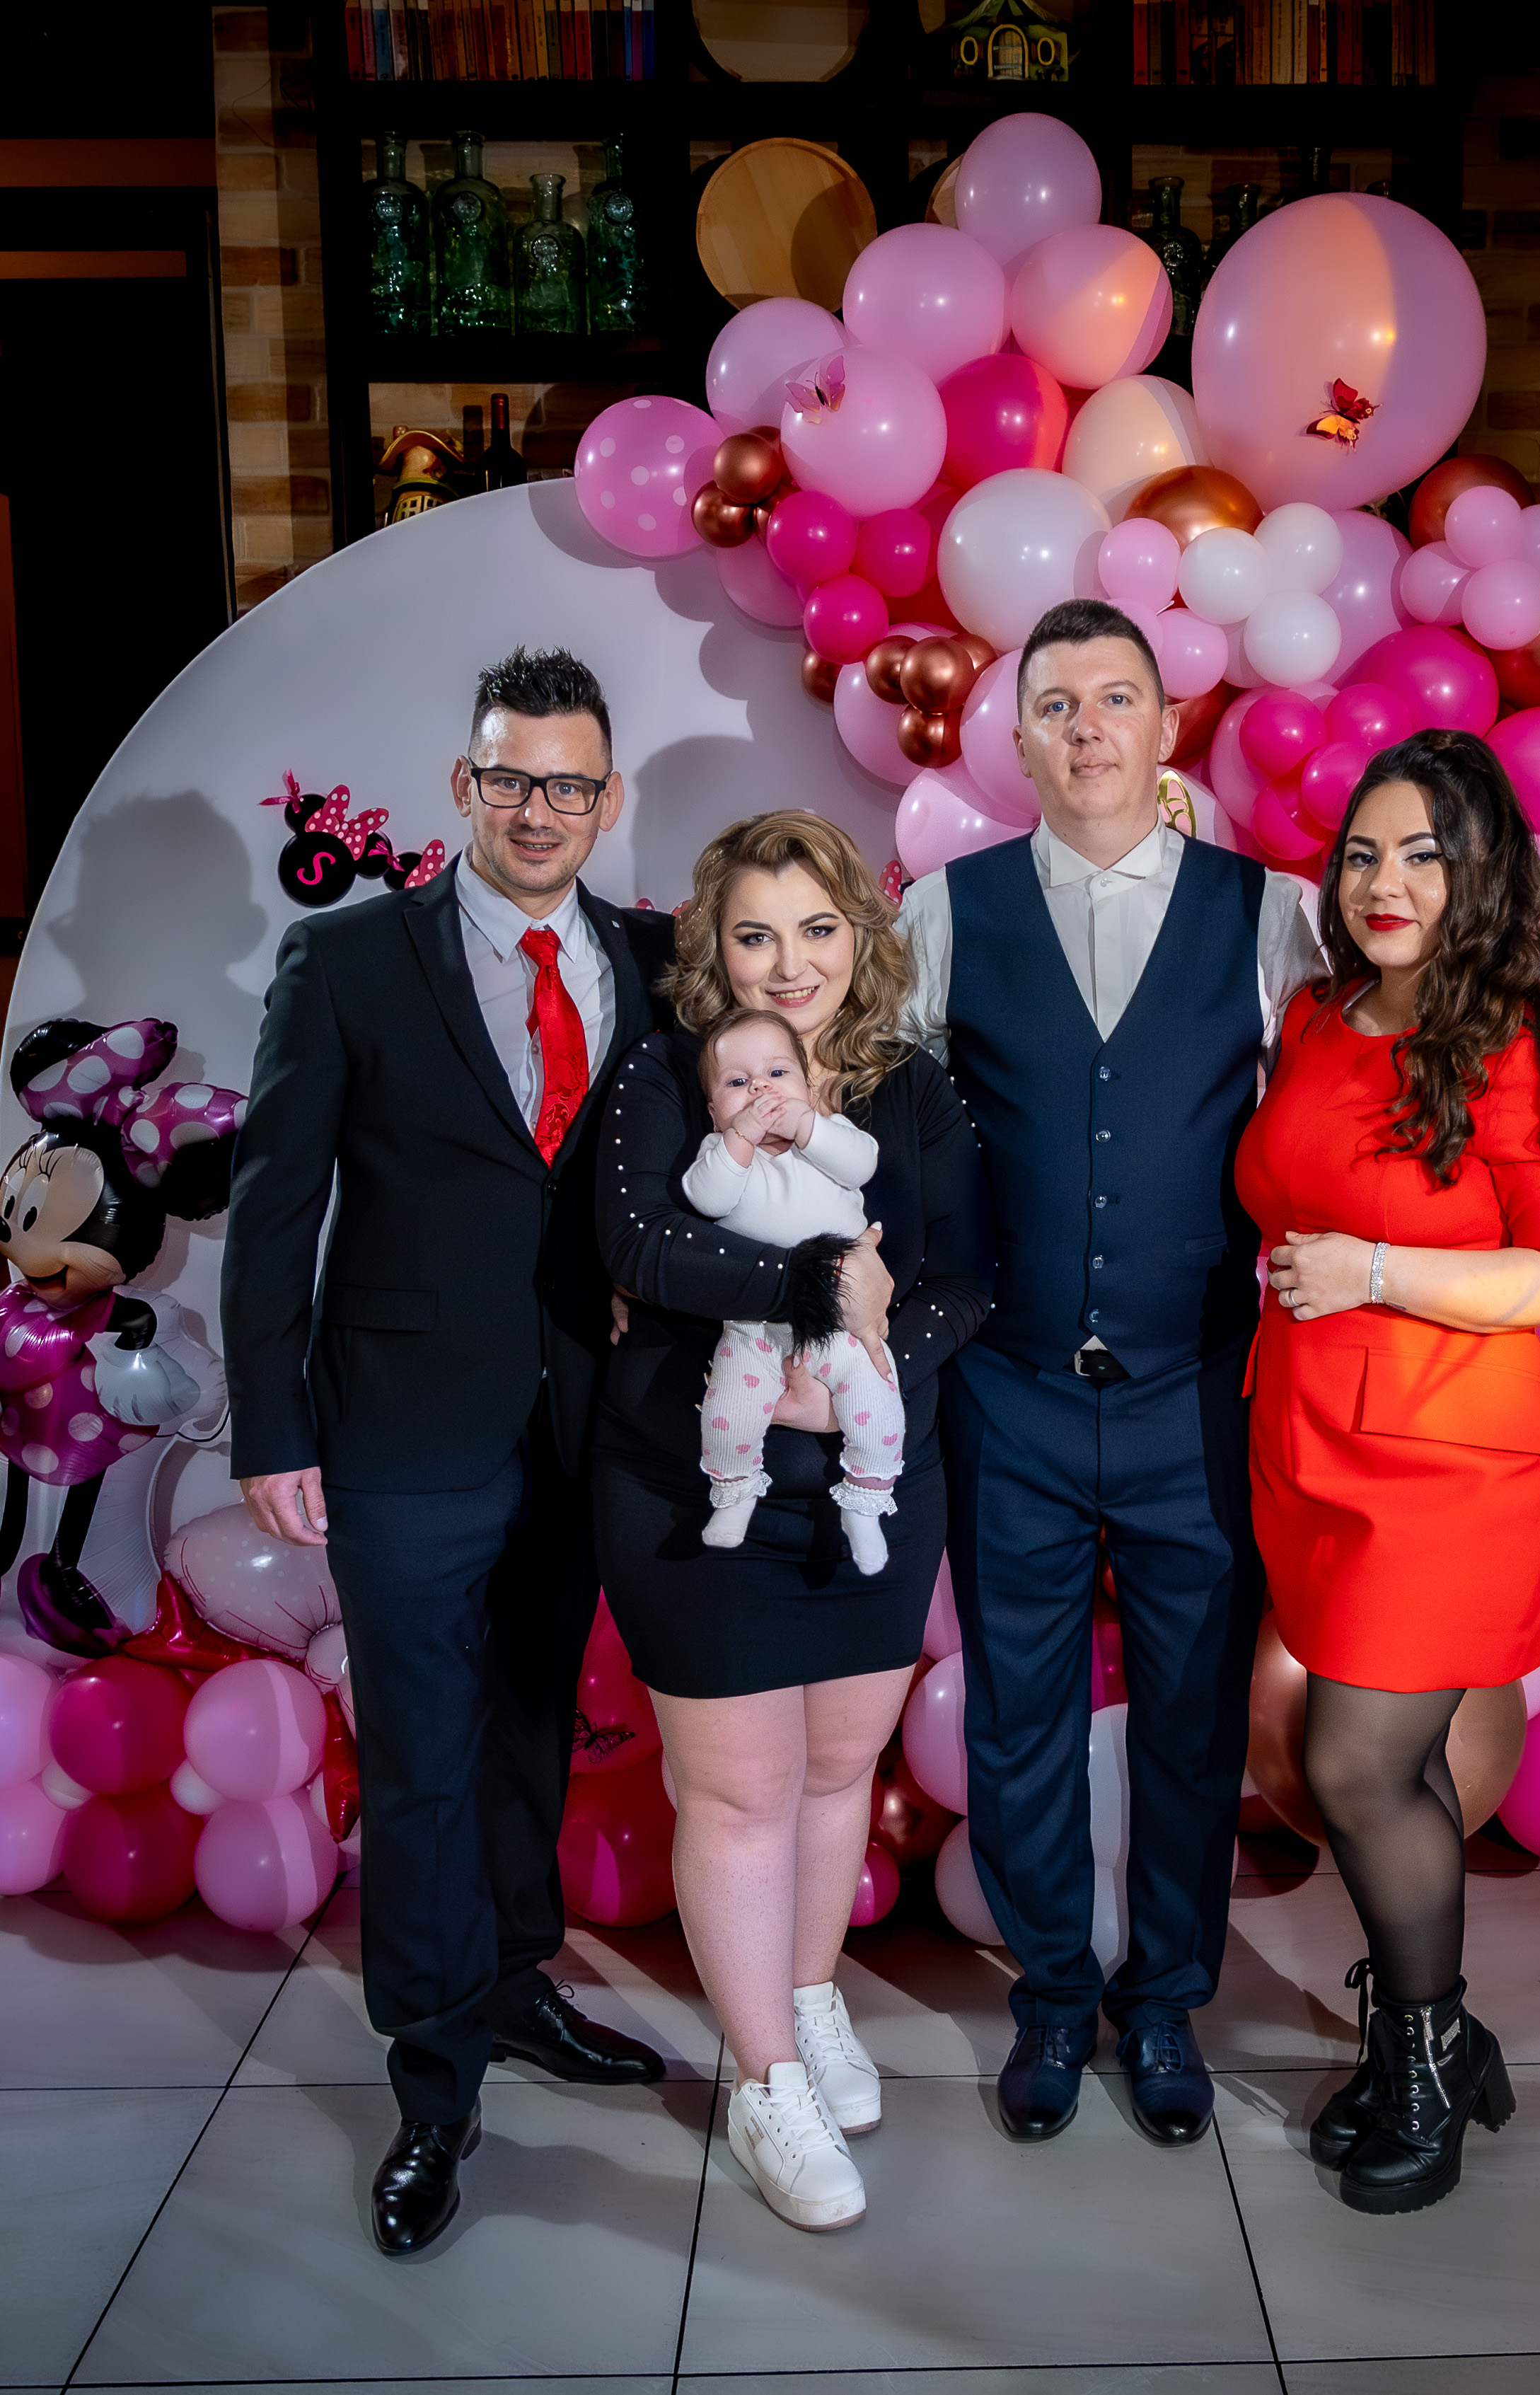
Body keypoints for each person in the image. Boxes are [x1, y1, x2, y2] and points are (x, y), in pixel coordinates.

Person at [222, 647, 671, 2258]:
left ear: (605, 798)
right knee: (419, 1754)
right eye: (508, 778)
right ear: (463, 786)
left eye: (568, 783)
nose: (538, 808)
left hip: (584, 1420)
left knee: (533, 1723)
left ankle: (514, 1979)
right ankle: (432, 2080)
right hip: (399, 1423)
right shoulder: (346, 958)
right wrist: (272, 1421)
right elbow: (276, 1206)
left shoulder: (656, 958)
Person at [899, 597, 1321, 2149]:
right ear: (1017, 739)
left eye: (1115, 699)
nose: (1086, 728)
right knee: (1017, 1712)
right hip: (1004, 1389)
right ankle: (1051, 1996)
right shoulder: (943, 911)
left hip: (1190, 1391)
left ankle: (1164, 2003)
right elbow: (885, 1133)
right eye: (1057, 704)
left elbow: (1337, 1122)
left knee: (1189, 1718)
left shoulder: (1270, 914)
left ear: (1167, 727)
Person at [1237, 728, 1540, 2215]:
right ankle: (1434, 2045)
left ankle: (1428, 2061)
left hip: (1447, 1460)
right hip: (1307, 1439)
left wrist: (1379, 1269)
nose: (1382, 882)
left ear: (1481, 875)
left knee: (1356, 1765)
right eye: (1361, 853)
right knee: (1358, 1761)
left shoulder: (1537, 1047)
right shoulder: (1316, 1015)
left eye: (1421, 854)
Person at [595, 810, 990, 2233]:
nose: (788, 964)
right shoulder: (668, 1071)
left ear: (858, 937)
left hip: (876, 1485)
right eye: (754, 934)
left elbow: (962, 1278)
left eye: (816, 929)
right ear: (714, 945)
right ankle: (763, 2079)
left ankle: (811, 1998)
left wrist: (877, 1357)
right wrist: (824, 1290)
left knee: (833, 1777)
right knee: (737, 1794)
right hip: (693, 1489)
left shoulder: (910, 1087)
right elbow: (644, 1243)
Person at [683, 1008, 905, 1571]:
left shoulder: (828, 1137)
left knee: (878, 1404)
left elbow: (863, 1164)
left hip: (841, 1322)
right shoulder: (721, 1154)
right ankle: (734, 1493)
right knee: (727, 1411)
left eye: (777, 1073)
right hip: (755, 1326)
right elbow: (707, 1199)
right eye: (738, 1082)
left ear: (809, 1086)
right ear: (713, 1110)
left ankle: (865, 1503)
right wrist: (740, 1138)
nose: (760, 1089)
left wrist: (809, 1125)